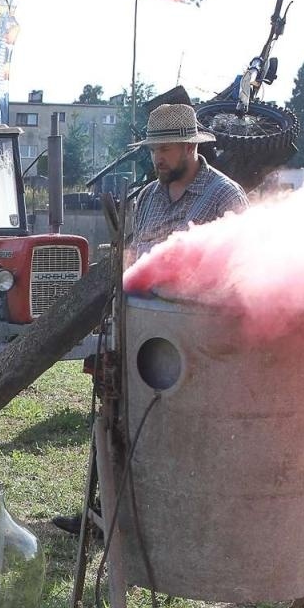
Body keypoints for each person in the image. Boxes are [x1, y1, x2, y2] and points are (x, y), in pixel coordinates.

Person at [53, 103, 248, 535]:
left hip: (196, 343)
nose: (157, 158)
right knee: (116, 418)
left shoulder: (225, 198)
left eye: (166, 149)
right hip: (139, 332)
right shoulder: (146, 199)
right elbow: (132, 261)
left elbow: (240, 277)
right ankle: (100, 512)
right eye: (153, 149)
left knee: (185, 434)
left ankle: (180, 522)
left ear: (190, 148)